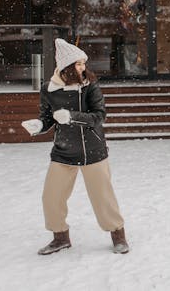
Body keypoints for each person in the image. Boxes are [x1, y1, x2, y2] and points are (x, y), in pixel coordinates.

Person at [21, 38, 129, 254]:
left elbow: (99, 116)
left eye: (83, 63)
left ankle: (118, 234)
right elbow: (49, 117)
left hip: (93, 151)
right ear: (66, 67)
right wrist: (40, 125)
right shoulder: (49, 89)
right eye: (78, 64)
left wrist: (72, 117)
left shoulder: (90, 86)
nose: (83, 68)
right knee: (51, 197)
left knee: (103, 197)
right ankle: (60, 237)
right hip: (63, 151)